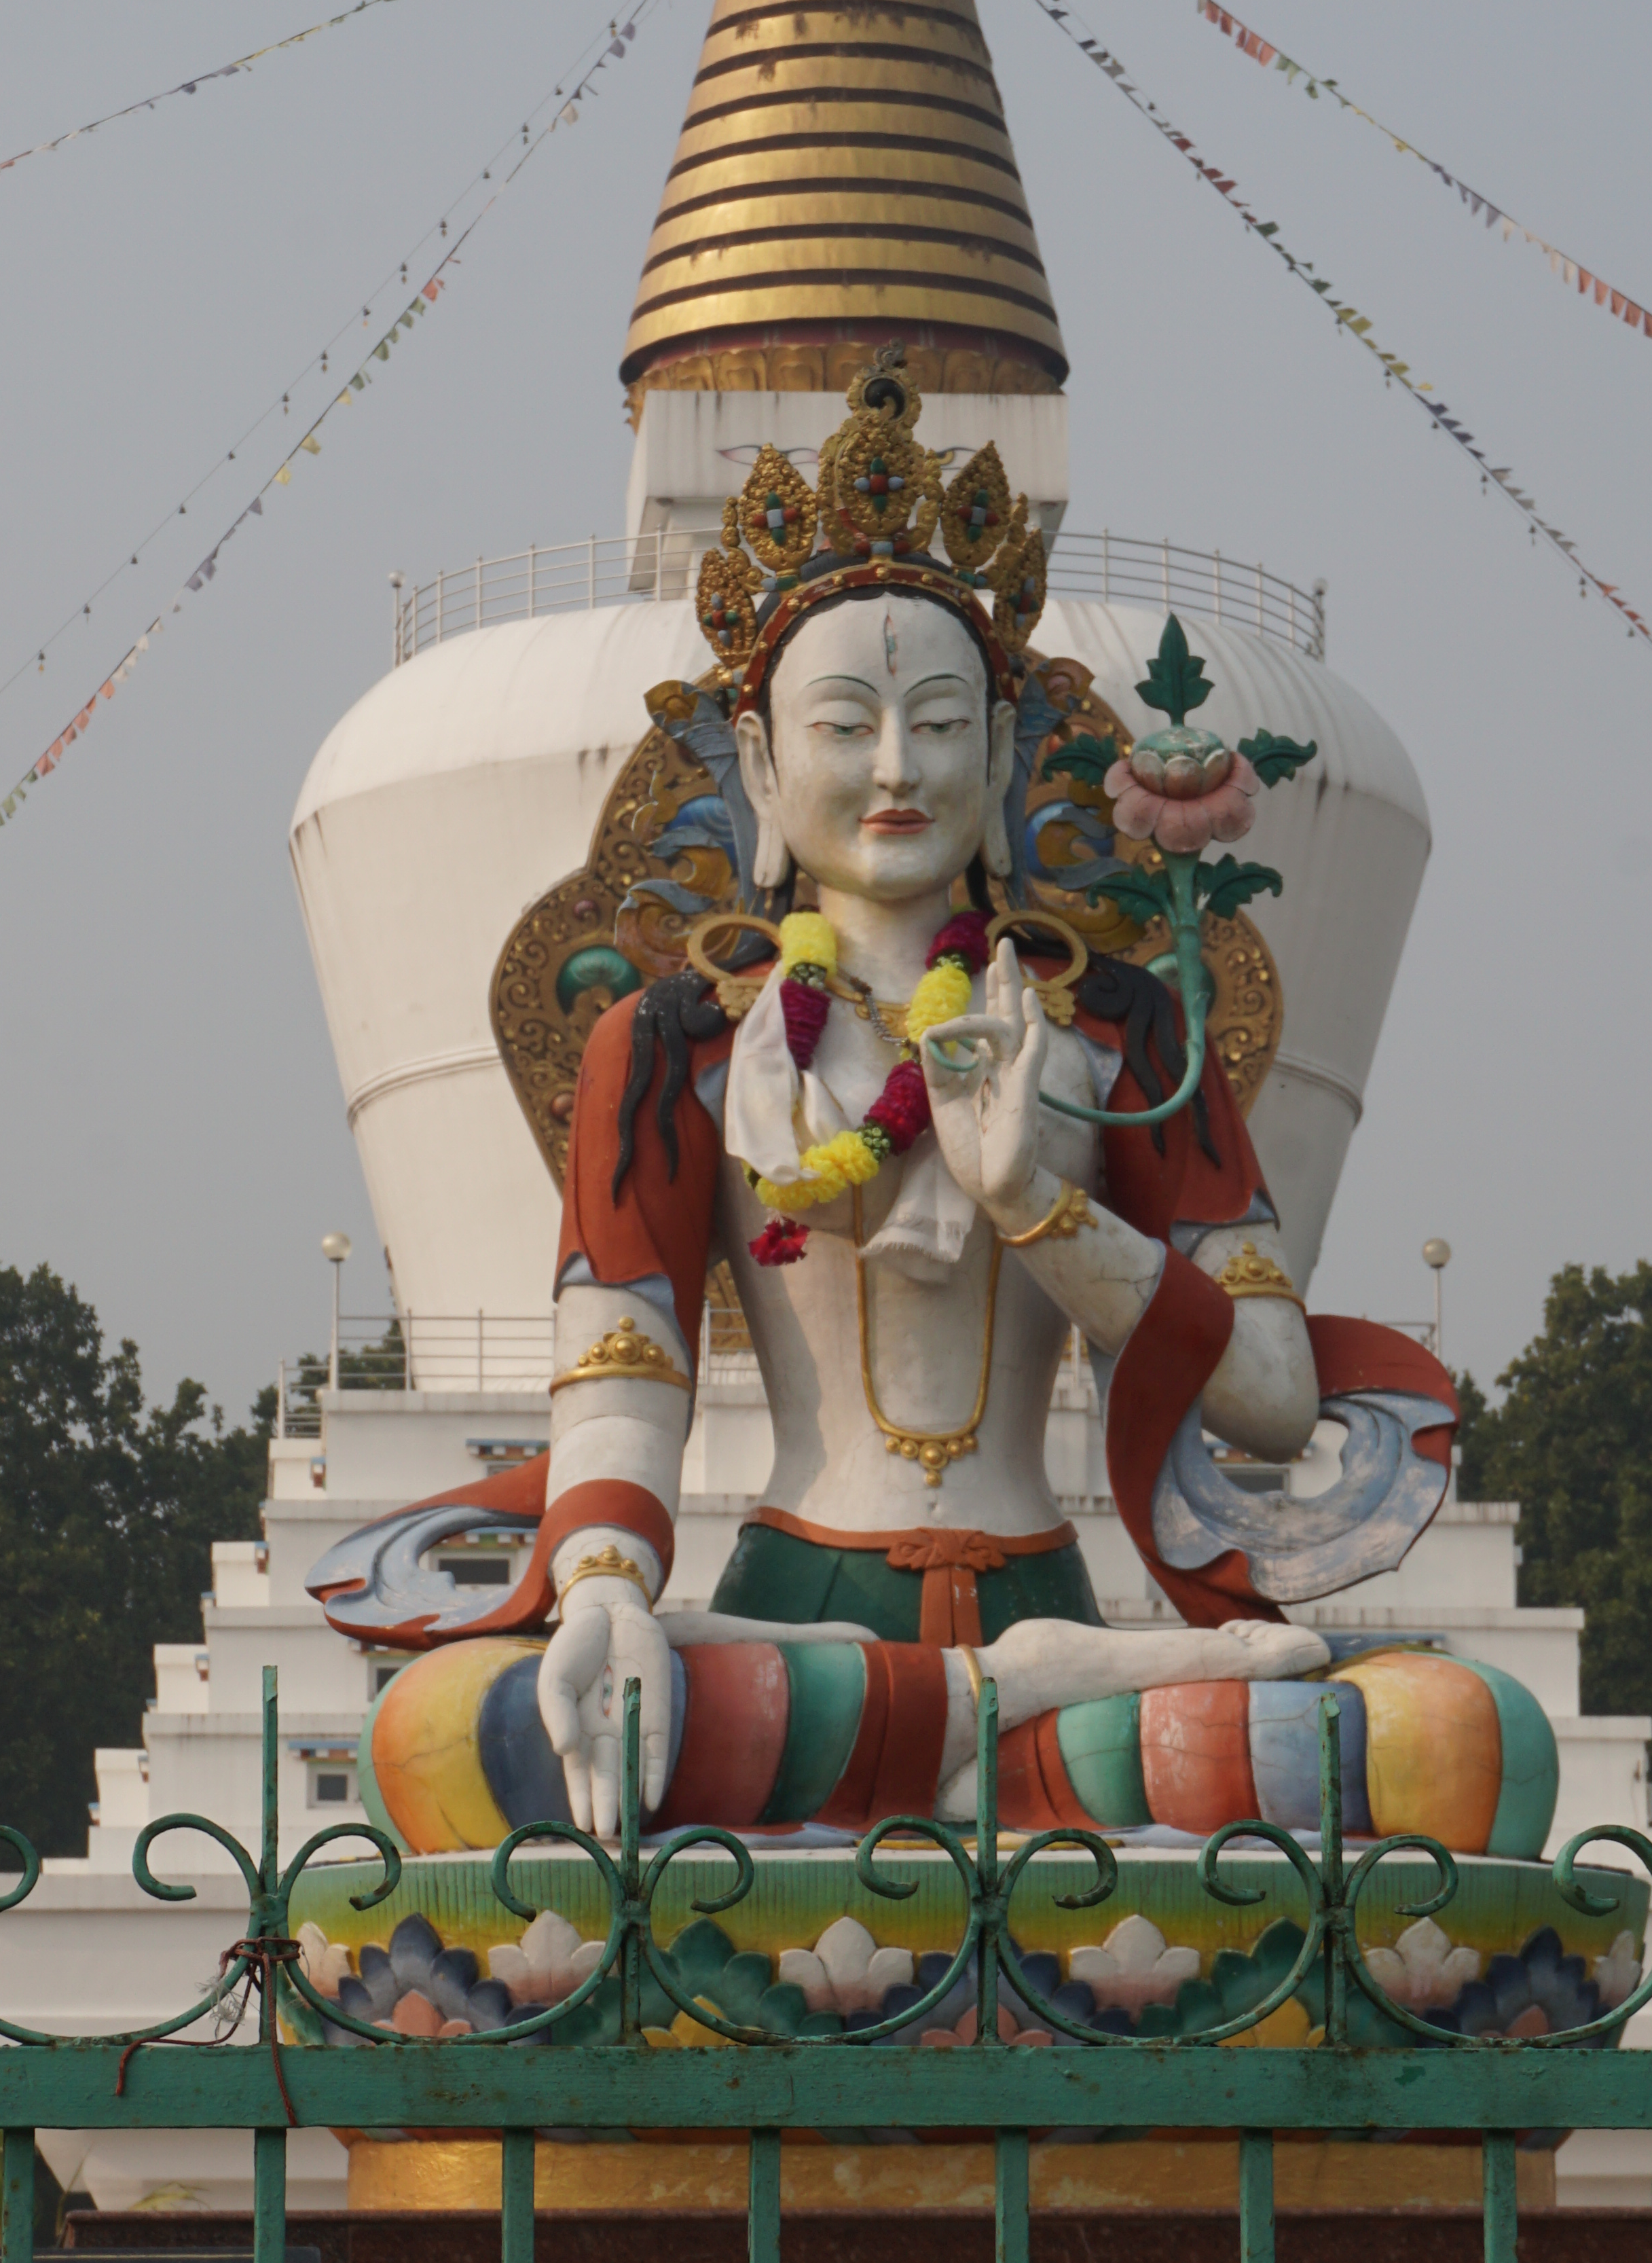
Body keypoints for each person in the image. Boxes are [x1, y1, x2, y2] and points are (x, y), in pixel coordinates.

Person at [348, 364, 1468, 1853]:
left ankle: (1006, 1701)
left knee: (1445, 1738)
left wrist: (1041, 1212)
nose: (896, 769)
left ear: (1003, 753)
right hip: (794, 1633)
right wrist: (609, 1594)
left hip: (1015, 1608)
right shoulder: (673, 1045)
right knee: (452, 1734)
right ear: (756, 763)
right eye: (846, 725)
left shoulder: (1112, 1025)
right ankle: (992, 1709)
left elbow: (1267, 1395)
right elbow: (624, 1374)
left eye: (941, 724)